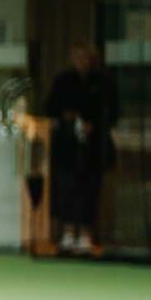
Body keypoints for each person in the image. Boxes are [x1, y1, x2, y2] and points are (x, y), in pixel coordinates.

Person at [44, 41, 116, 256]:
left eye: (85, 57)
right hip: (67, 148)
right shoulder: (62, 81)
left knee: (89, 190)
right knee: (67, 189)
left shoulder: (102, 82)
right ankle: (67, 234)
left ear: (92, 58)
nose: (81, 61)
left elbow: (112, 111)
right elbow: (49, 107)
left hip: (94, 149)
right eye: (77, 56)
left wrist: (93, 125)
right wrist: (67, 118)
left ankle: (85, 235)